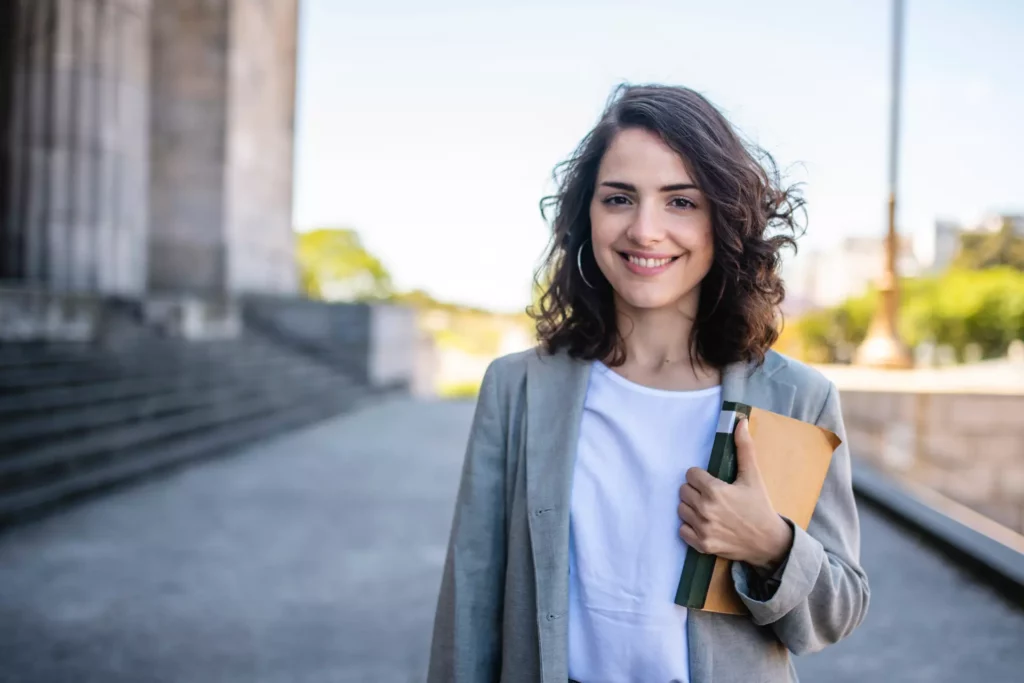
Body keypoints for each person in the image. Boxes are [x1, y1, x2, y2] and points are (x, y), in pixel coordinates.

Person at [427, 84, 869, 683]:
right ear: (586, 214)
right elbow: (471, 600)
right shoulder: (518, 389)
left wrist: (770, 543)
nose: (645, 230)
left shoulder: (796, 397)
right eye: (619, 198)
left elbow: (836, 613)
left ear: (723, 219)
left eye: (680, 201)